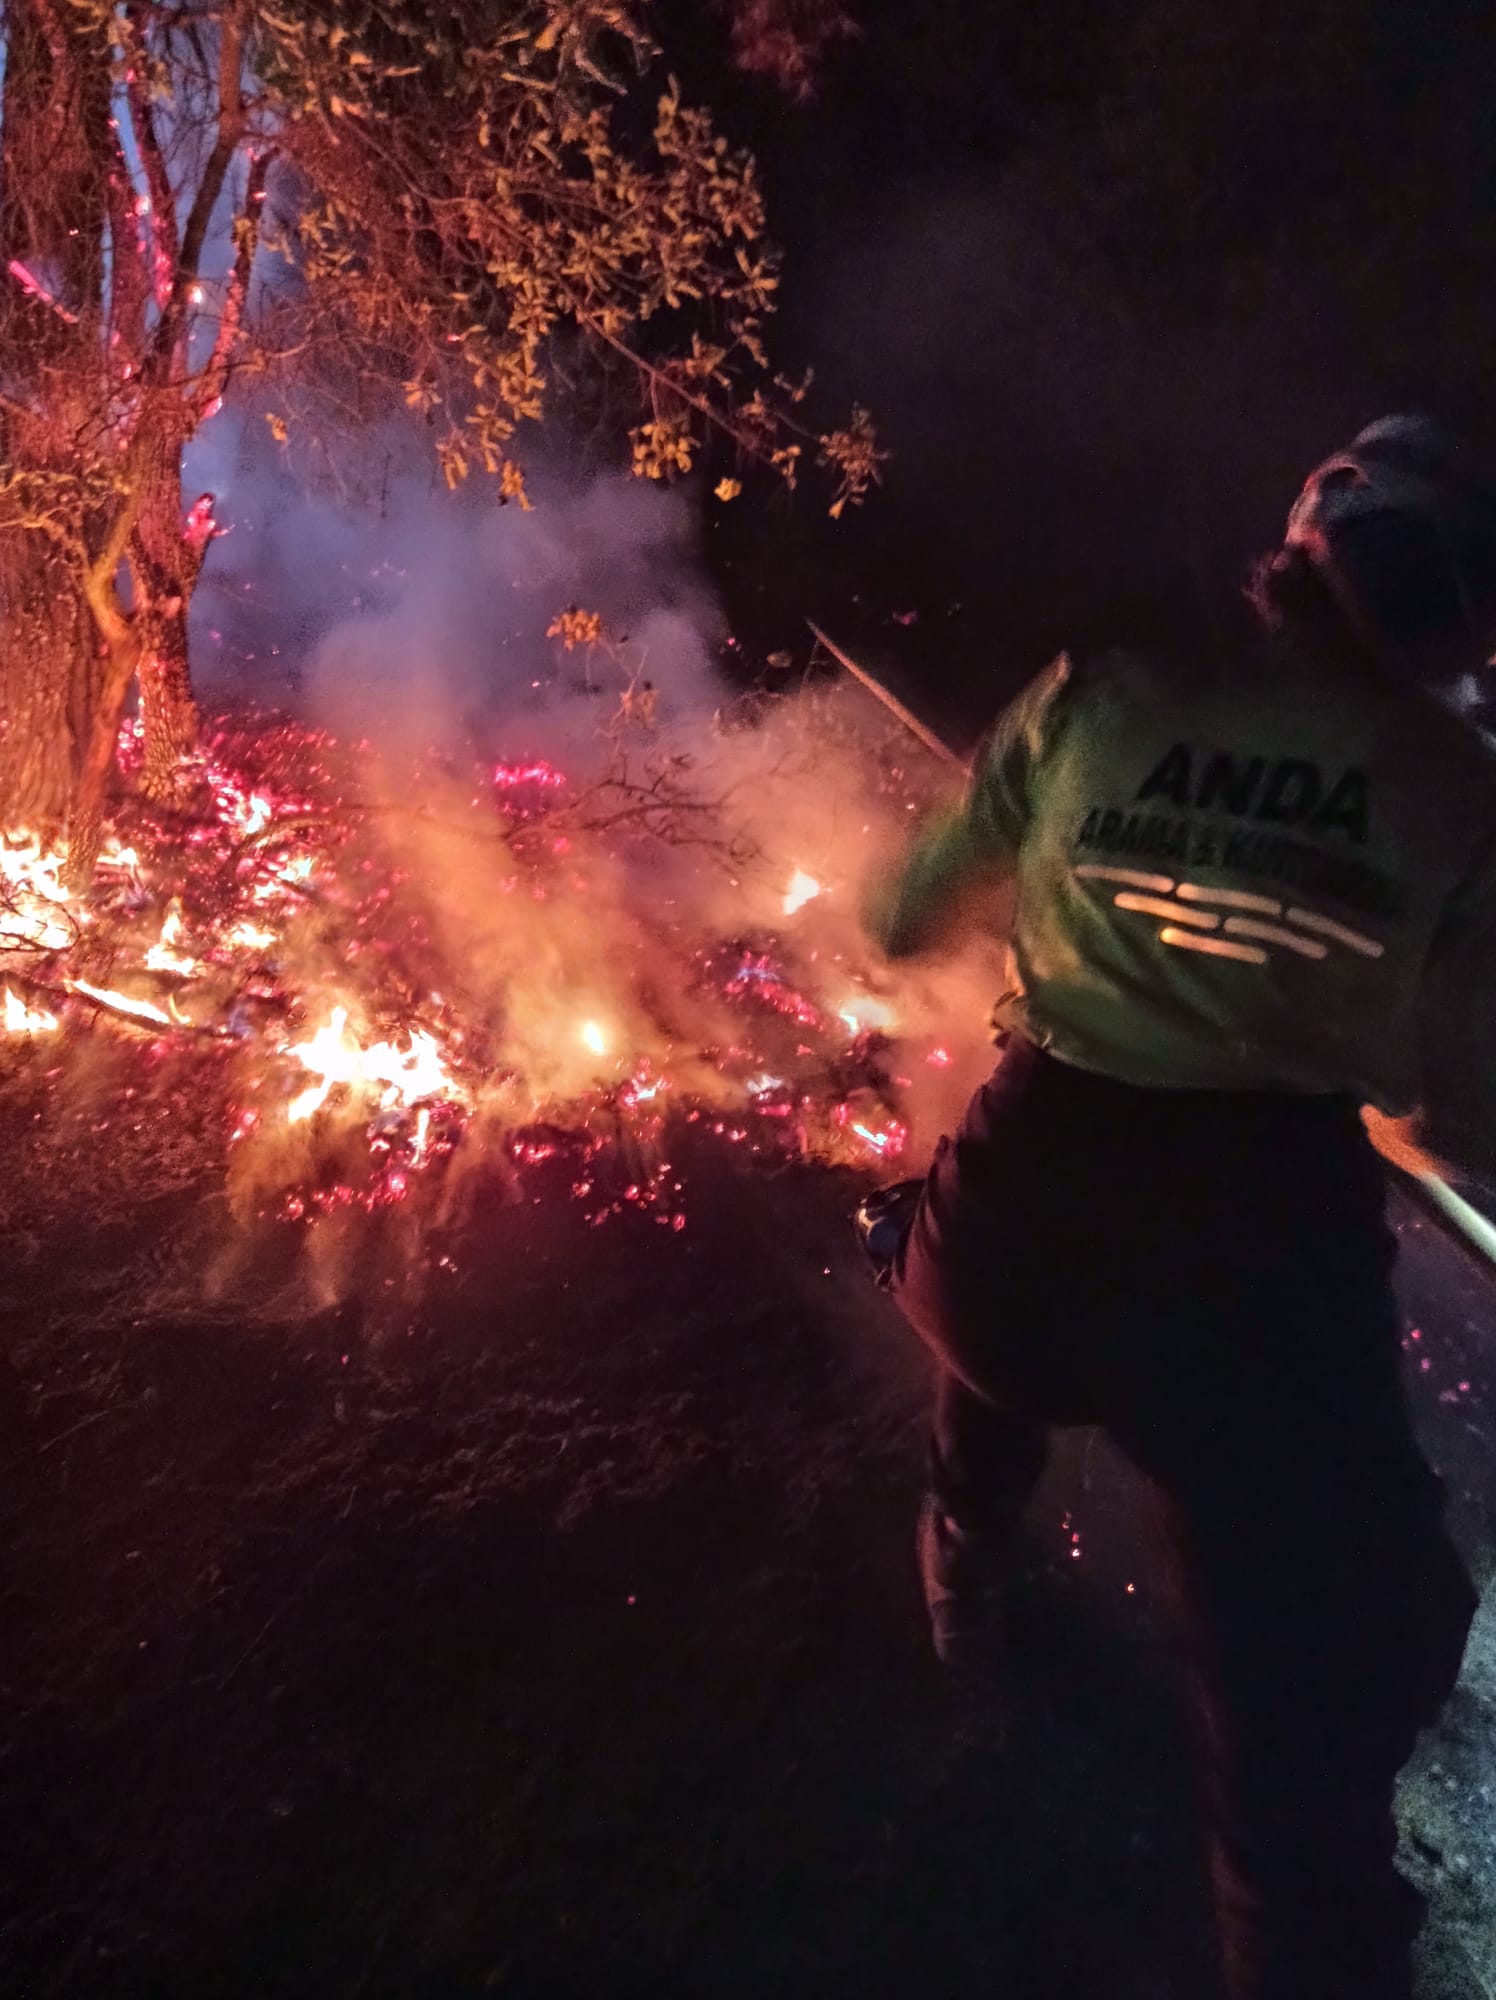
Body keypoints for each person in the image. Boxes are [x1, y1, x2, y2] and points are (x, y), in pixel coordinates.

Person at [860, 416, 1493, 2000]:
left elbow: (897, 911)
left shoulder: (1101, 686)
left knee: (1000, 1284)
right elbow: (1457, 1106)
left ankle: (960, 1577)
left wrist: (1081, 869)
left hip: (1001, 1255)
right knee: (1298, 1766)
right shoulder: (1455, 788)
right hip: (1250, 1294)